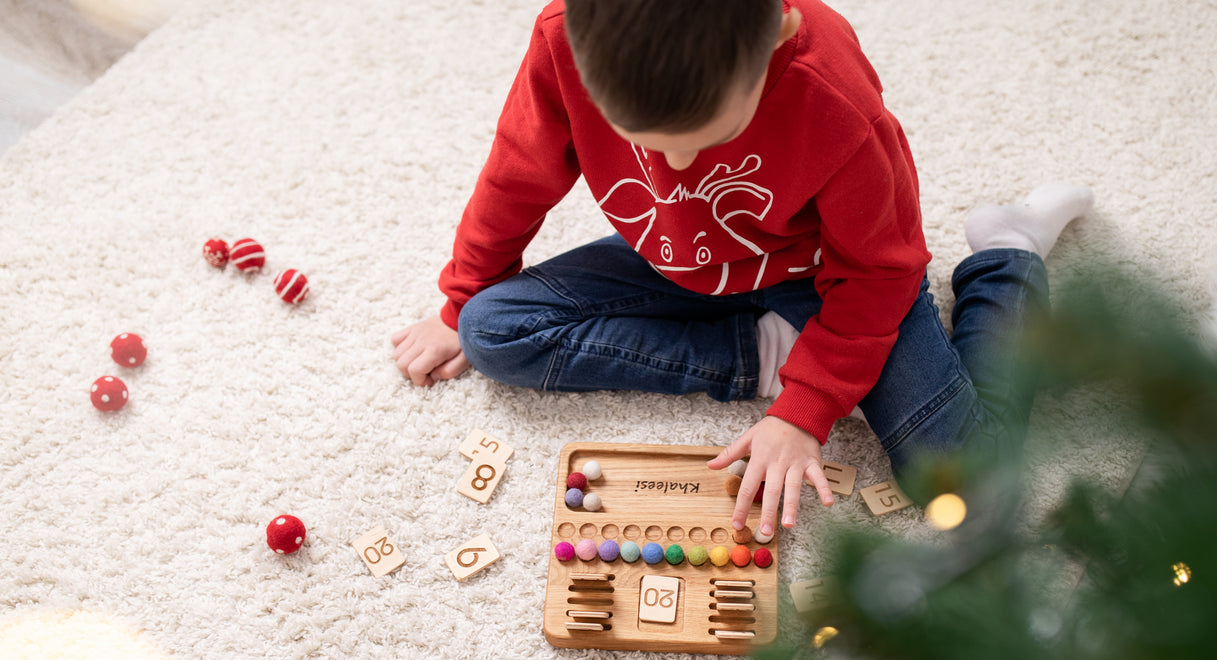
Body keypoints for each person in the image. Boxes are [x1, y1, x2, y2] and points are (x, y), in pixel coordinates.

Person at [390, 0, 1091, 538]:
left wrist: (807, 410)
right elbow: (517, 176)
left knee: (972, 492)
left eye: (709, 138)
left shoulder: (829, 92)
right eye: (646, 144)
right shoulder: (565, 36)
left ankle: (1006, 253)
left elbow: (878, 270)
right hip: (673, 257)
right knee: (492, 331)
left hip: (832, 277)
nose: (677, 172)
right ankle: (767, 353)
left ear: (776, 40)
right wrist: (459, 300)